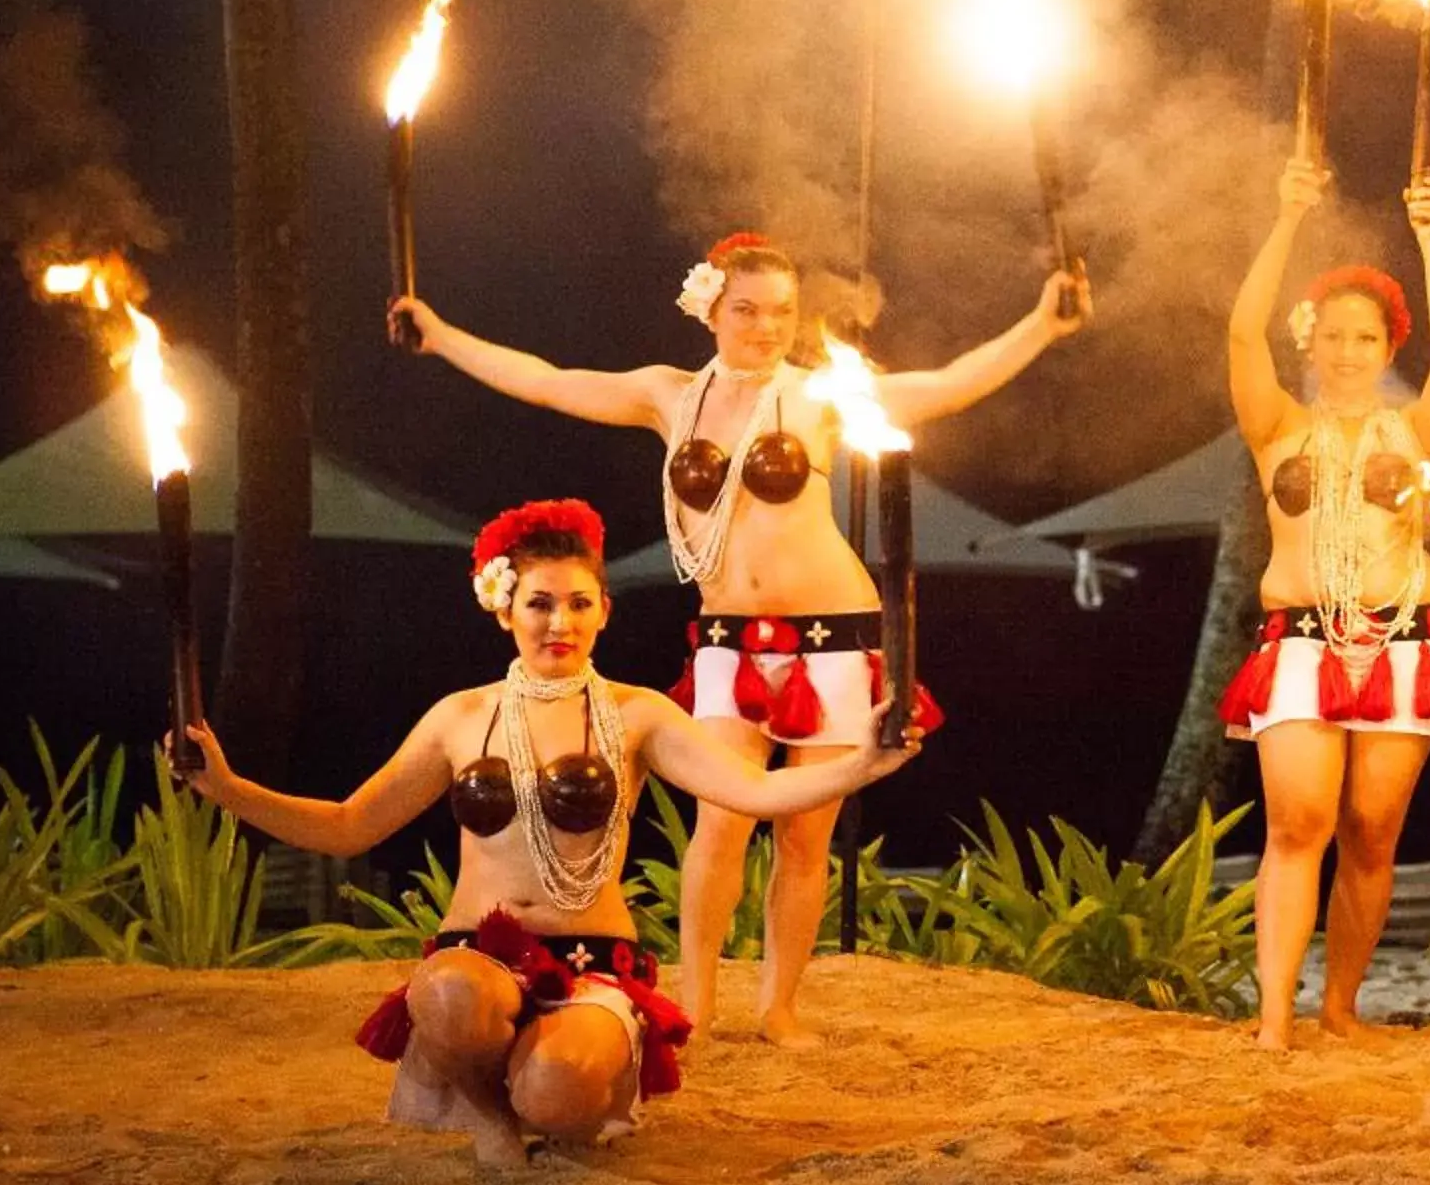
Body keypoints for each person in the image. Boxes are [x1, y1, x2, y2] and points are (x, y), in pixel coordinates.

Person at [391, 236, 1084, 1043]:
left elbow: (942, 389)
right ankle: (698, 1002)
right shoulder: (668, 395)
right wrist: (438, 334)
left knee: (805, 831)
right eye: (746, 309)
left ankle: (780, 1007)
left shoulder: (819, 395)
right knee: (721, 819)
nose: (764, 327)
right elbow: (547, 383)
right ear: (710, 309)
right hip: (728, 637)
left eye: (781, 312)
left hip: (832, 636)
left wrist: (1041, 326)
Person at [182, 500, 916, 1167]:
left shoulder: (639, 716)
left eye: (577, 603)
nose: (558, 623)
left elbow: (756, 790)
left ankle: (536, 1085)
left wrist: (862, 762)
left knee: (558, 1096)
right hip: (477, 958)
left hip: (593, 965)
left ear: (604, 612)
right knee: (445, 997)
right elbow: (349, 826)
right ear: (504, 609)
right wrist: (228, 789)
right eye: (538, 603)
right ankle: (488, 1111)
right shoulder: (460, 718)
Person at [1216, 160, 1430, 1050]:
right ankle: (1270, 1022)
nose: (1346, 351)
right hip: (1299, 641)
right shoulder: (1277, 427)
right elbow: (1240, 331)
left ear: (1385, 348)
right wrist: (1287, 217)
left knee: (1372, 834)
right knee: (1300, 822)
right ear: (1312, 341)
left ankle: (1339, 1009)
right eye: (1333, 335)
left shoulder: (1415, 434)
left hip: (1407, 642)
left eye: (1365, 338)